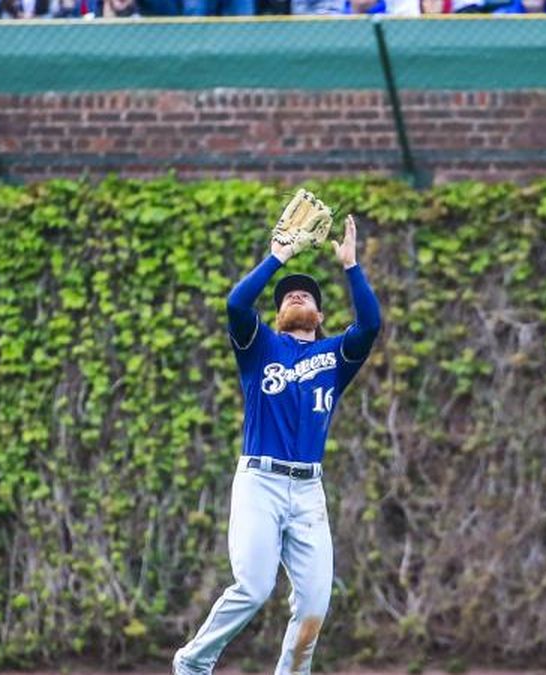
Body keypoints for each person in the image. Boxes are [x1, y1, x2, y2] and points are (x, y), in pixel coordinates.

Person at [173, 214, 381, 675]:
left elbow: (370, 325)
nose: (297, 294)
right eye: (288, 294)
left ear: (320, 316)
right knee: (253, 586)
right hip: (260, 483)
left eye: (306, 293)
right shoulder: (259, 348)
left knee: (314, 606)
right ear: (280, 313)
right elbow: (236, 303)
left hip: (309, 493)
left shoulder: (334, 357)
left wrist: (351, 267)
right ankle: (192, 662)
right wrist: (279, 257)